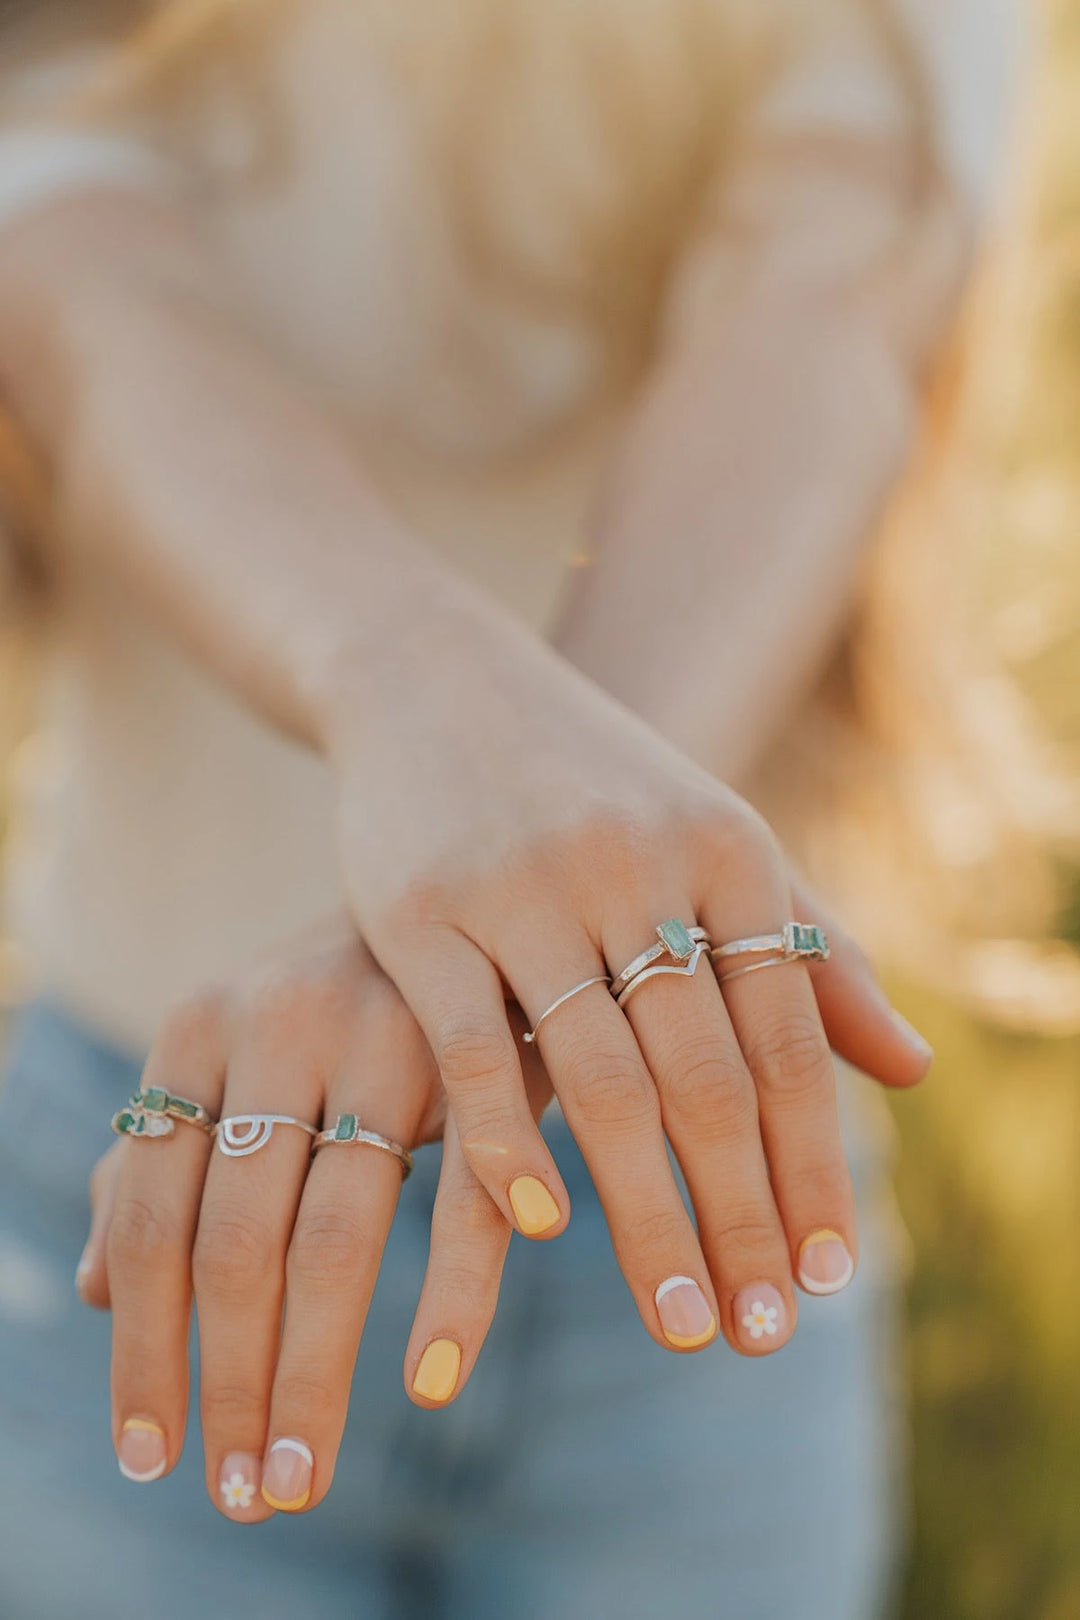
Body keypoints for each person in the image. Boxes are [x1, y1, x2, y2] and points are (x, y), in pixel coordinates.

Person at [0, 1, 1018, 1616]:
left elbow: (810, 322)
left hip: (707, 1187)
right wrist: (412, 689)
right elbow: (98, 316)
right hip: (158, 1190)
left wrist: (494, 904)